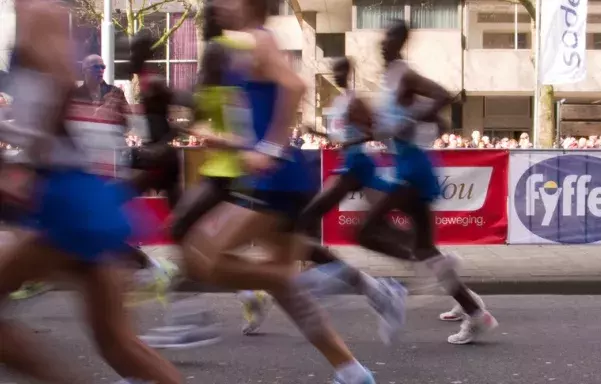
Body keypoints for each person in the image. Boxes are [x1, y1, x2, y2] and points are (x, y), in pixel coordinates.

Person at [178, 0, 376, 382]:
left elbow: (295, 84)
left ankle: (301, 281)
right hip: (284, 179)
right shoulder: (249, 44)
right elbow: (256, 123)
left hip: (274, 181)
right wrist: (222, 139)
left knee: (200, 255)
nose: (220, 4)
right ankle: (352, 371)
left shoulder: (258, 40)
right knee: (288, 294)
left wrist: (268, 148)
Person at [0, 1, 181, 382]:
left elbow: (62, 78)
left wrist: (30, 152)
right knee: (117, 342)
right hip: (73, 195)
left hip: (64, 198)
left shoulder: (40, 12)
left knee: (117, 341)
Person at [354, 19, 496, 345]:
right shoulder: (390, 78)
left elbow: (442, 96)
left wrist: (410, 120)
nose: (382, 42)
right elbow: (414, 120)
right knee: (425, 248)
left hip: (411, 169)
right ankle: (475, 312)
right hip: (407, 164)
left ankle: (419, 271)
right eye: (382, 36)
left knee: (364, 231)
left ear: (401, 41)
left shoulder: (404, 73)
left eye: (389, 37)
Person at [291, 56, 408, 343]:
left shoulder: (355, 101)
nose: (338, 74)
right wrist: (316, 132)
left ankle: (332, 276)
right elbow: (340, 136)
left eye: (342, 70)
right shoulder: (341, 102)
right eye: (335, 71)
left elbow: (374, 131)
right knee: (370, 228)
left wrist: (352, 142)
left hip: (358, 165)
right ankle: (400, 273)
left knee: (308, 216)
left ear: (349, 72)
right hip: (350, 165)